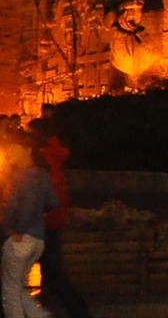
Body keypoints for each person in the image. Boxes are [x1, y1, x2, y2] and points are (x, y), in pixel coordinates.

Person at [33, 125, 92, 318]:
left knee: (55, 275)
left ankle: (78, 311)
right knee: (53, 272)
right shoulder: (54, 166)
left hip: (44, 227)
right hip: (51, 225)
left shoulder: (44, 170)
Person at [2, 131, 59, 318]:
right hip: (38, 239)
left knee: (10, 292)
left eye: (14, 148)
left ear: (27, 150)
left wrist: (13, 229)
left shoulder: (19, 177)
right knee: (18, 287)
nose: (10, 152)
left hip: (20, 238)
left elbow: (12, 208)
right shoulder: (42, 174)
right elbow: (53, 202)